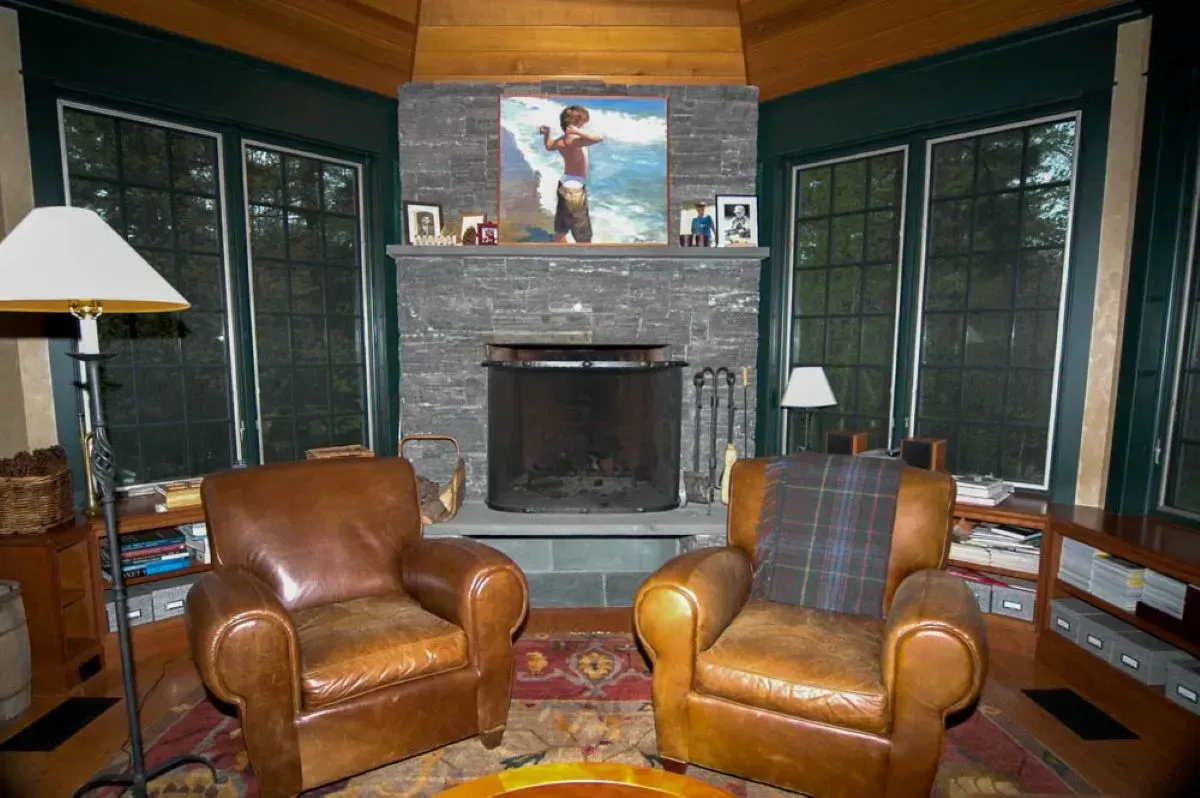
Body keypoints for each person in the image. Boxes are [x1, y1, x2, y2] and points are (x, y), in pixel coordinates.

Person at [539, 105, 604, 243]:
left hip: (564, 185)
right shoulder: (575, 141)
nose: (584, 127)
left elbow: (549, 146)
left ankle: (559, 249)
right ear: (576, 124)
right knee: (583, 235)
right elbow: (599, 138)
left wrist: (547, 134)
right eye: (583, 124)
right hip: (575, 190)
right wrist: (578, 132)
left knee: (561, 227)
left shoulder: (561, 140)